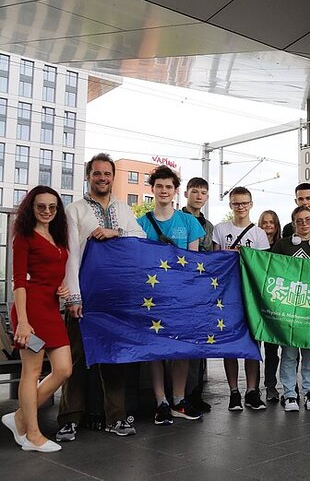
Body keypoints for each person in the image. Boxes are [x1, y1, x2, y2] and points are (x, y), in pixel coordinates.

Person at [56, 153, 145, 442]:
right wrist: (73, 297)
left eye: (107, 174)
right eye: (97, 173)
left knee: (114, 358)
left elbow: (140, 238)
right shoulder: (75, 210)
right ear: (88, 176)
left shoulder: (123, 209)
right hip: (84, 296)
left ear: (113, 177)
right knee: (78, 358)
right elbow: (69, 254)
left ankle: (116, 418)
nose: (102, 178)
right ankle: (69, 419)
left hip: (116, 297)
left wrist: (115, 231)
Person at [3, 187, 72, 452]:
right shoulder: (24, 237)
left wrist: (61, 288)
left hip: (51, 310)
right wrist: (22, 321)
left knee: (64, 369)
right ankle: (32, 434)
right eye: (41, 207)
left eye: (52, 207)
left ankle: (19, 417)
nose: (47, 211)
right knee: (31, 373)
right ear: (31, 208)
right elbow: (19, 282)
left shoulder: (57, 235)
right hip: (29, 312)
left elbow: (49, 273)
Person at [137, 165, 205, 424]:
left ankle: (179, 399)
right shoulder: (141, 223)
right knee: (156, 348)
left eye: (168, 187)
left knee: (182, 346)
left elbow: (195, 261)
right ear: (152, 189)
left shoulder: (189, 222)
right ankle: (160, 402)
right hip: (152, 295)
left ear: (176, 191)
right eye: (159, 186)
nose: (164, 191)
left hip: (181, 295)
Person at [213, 187, 270, 412]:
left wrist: (243, 256)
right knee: (230, 343)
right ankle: (234, 392)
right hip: (227, 293)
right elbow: (216, 260)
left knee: (251, 342)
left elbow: (263, 265)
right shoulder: (220, 229)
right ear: (230, 205)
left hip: (251, 293)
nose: (240, 207)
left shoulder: (258, 234)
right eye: (236, 203)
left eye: (244, 203)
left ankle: (252, 391)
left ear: (251, 204)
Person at [272, 206, 310, 411]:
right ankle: (289, 394)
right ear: (293, 223)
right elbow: (270, 270)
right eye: (299, 220)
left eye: (307, 219)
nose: (304, 223)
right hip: (288, 309)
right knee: (288, 354)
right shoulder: (282, 245)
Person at [182, 177, 214, 413]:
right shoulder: (177, 219)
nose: (199, 196)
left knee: (200, 343)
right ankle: (181, 395)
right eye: (195, 191)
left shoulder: (209, 226)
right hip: (180, 287)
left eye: (203, 192)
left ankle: (195, 393)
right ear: (186, 194)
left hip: (202, 289)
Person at [257, 209, 282, 403]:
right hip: (258, 301)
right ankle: (260, 386)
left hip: (278, 303)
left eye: (271, 222)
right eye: (264, 222)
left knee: (275, 348)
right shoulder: (255, 245)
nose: (268, 226)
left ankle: (274, 386)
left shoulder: (283, 245)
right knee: (258, 347)